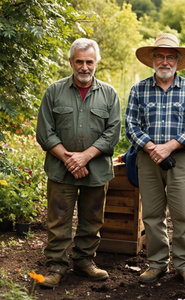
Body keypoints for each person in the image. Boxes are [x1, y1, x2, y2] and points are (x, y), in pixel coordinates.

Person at [36, 38, 121, 288]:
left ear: (96, 63)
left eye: (89, 62)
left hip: (95, 170)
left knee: (92, 219)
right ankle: (56, 266)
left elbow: (112, 132)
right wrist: (69, 158)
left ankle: (84, 262)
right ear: (71, 62)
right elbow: (45, 131)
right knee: (58, 219)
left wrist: (85, 157)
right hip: (60, 170)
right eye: (80, 62)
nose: (84, 67)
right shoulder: (54, 91)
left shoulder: (109, 94)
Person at [125, 33, 185, 286]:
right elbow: (131, 124)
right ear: (152, 60)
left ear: (178, 62)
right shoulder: (139, 89)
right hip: (148, 160)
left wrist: (168, 147)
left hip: (179, 159)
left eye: (171, 57)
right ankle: (157, 263)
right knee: (152, 215)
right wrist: (151, 148)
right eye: (160, 56)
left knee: (182, 215)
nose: (165, 61)